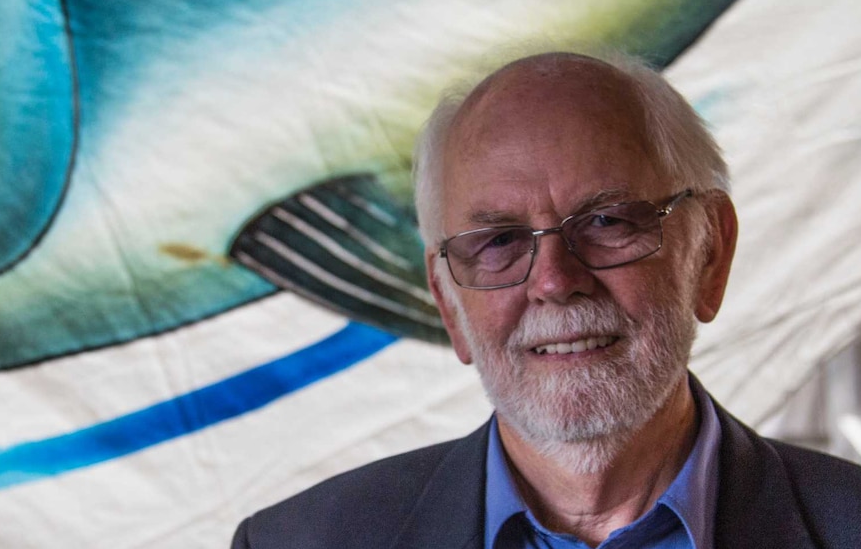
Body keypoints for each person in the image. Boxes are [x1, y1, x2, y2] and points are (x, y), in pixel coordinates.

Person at [232, 51, 861, 548]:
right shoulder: (299, 542)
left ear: (709, 253)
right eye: (500, 240)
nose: (556, 281)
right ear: (448, 303)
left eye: (609, 221)